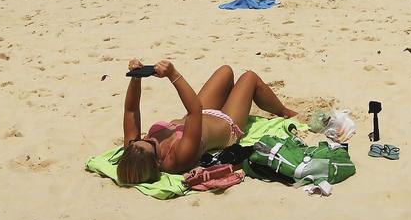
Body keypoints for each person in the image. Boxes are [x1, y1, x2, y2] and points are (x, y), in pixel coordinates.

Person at [116, 59, 297, 184]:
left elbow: (131, 110)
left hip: (202, 112)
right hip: (226, 124)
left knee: (225, 71)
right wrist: (173, 75)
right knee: (250, 77)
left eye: (136, 142)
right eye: (148, 143)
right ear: (156, 163)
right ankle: (284, 111)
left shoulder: (134, 152)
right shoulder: (178, 156)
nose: (144, 138)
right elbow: (194, 112)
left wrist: (135, 77)